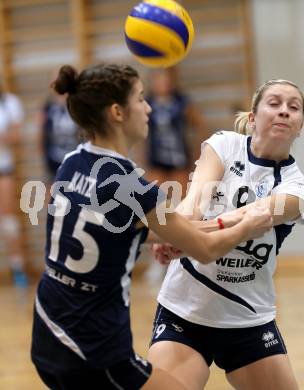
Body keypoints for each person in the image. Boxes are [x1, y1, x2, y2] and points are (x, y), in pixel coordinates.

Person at [30, 63, 274, 390]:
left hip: (48, 332)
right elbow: (203, 251)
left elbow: (116, 231)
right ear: (117, 112)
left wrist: (218, 223)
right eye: (141, 99)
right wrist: (250, 225)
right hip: (92, 348)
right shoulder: (128, 182)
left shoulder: (72, 162)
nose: (148, 109)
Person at [148, 79, 304, 390]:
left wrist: (183, 237)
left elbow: (251, 217)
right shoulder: (224, 145)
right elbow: (193, 202)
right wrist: (177, 230)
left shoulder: (298, 189)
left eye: (294, 108)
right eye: (274, 103)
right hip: (185, 310)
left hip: (247, 320)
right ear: (252, 118)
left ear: (300, 126)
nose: (284, 112)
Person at [145, 67, 206, 192]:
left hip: (179, 159)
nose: (163, 82)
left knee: (180, 199)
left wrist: (198, 152)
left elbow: (200, 125)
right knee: (157, 201)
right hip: (155, 160)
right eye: (158, 78)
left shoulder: (181, 101)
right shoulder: (147, 102)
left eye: (166, 78)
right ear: (152, 81)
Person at [0, 82, 28, 287]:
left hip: (4, 169)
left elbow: (17, 136)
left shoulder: (9, 103)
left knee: (9, 220)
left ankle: (18, 268)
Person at [36, 86, 80, 184]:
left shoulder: (78, 106)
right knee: (52, 191)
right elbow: (42, 131)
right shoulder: (48, 107)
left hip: (75, 158)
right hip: (53, 158)